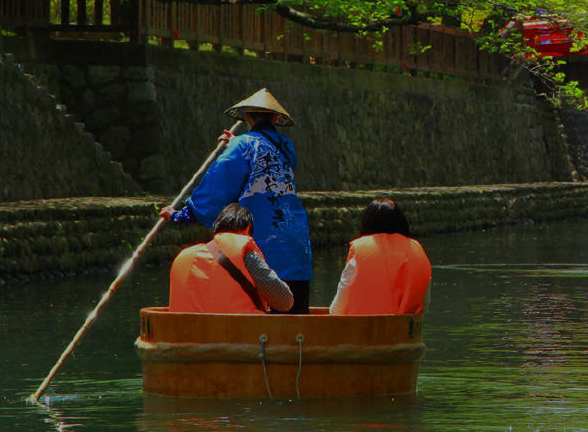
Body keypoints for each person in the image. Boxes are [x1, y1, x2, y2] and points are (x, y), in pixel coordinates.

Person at [161, 89, 313, 313]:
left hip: (264, 243)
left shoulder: (243, 144)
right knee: (295, 315)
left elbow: (219, 186)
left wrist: (182, 215)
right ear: (274, 118)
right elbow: (266, 160)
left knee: (265, 310)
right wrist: (236, 144)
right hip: (297, 243)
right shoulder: (286, 146)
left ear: (247, 117)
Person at [169, 204, 294, 314]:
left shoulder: (183, 257)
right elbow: (284, 301)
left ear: (217, 230)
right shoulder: (247, 255)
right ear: (248, 229)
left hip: (188, 332)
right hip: (238, 331)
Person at [330, 199, 432, 316]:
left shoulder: (359, 257)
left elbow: (336, 312)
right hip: (403, 326)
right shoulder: (418, 253)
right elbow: (424, 306)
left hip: (364, 326)